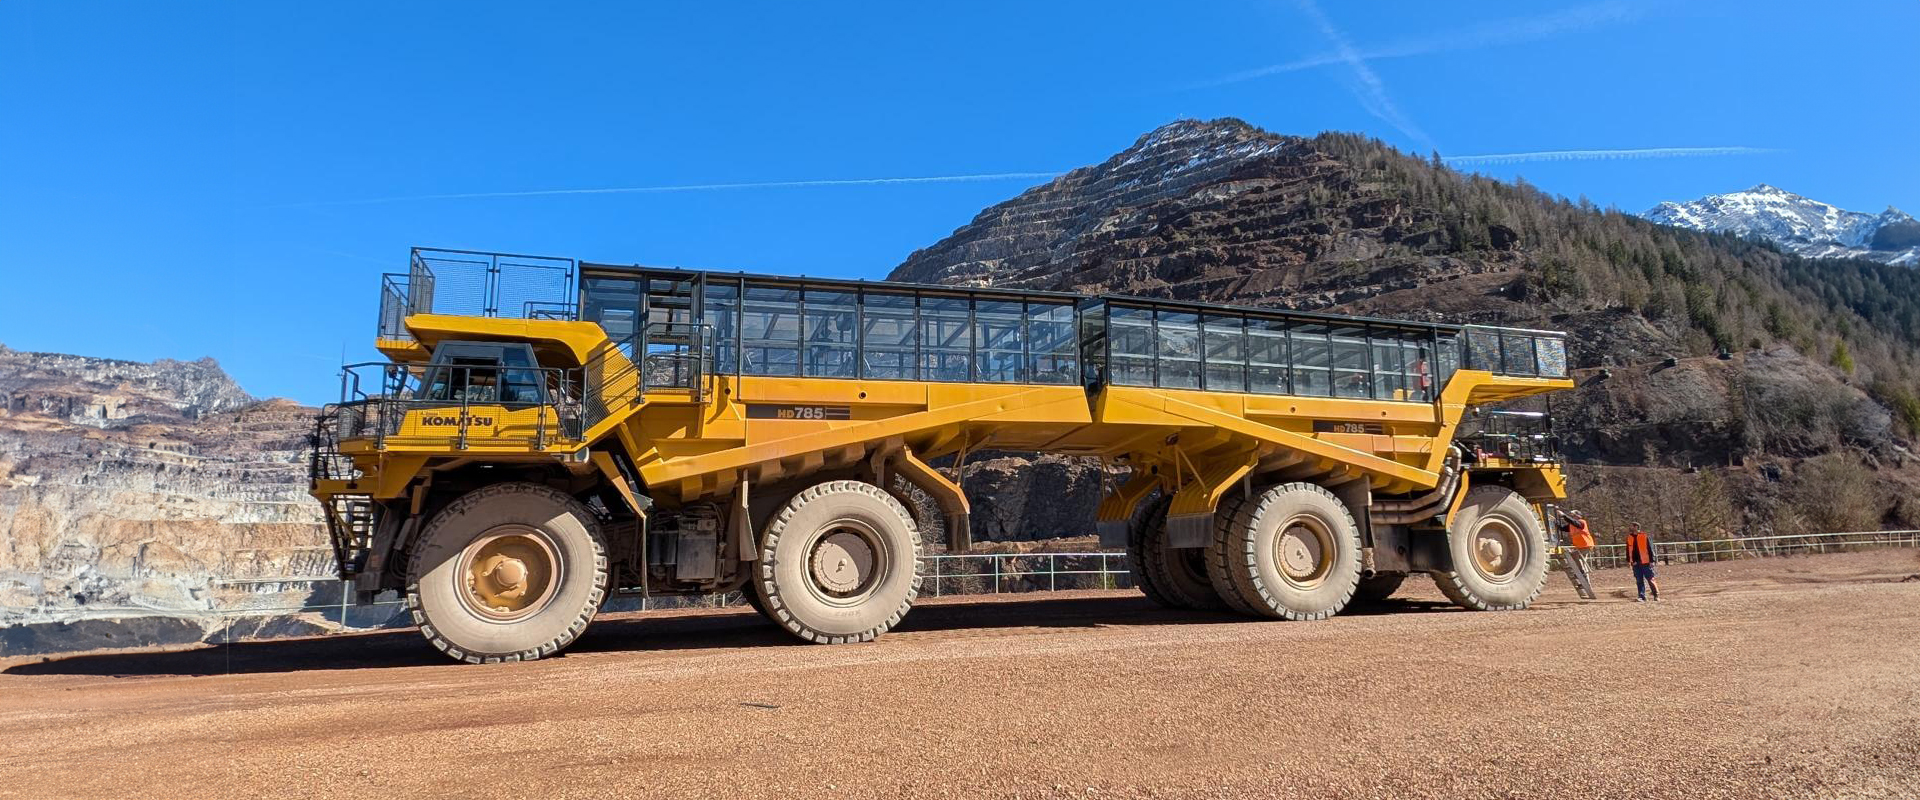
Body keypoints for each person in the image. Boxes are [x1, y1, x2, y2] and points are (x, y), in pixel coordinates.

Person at [1625, 523, 1661, 602]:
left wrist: (1652, 560)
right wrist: (1629, 561)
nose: (1630, 527)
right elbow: (1628, 550)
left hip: (1646, 562)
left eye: (1632, 526)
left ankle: (1656, 595)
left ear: (1636, 527)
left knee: (1650, 579)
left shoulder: (1644, 536)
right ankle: (1641, 596)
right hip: (1635, 563)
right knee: (1639, 580)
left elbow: (1650, 548)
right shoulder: (1629, 537)